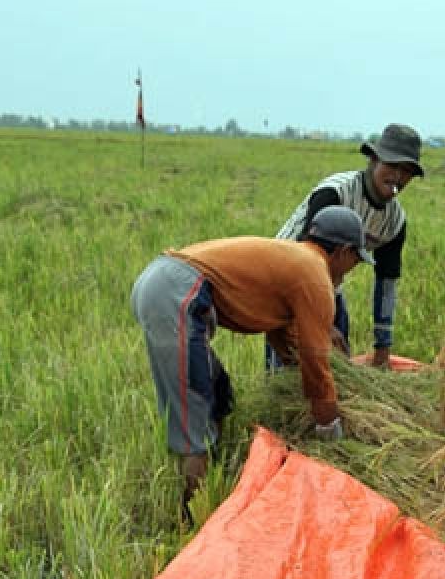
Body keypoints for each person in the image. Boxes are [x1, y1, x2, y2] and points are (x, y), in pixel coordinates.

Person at [131, 206, 373, 520]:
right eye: (357, 259)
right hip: (175, 292)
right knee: (195, 407)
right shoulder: (315, 274)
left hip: (167, 282)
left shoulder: (296, 261)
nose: (353, 267)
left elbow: (280, 334)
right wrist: (328, 422)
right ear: (343, 251)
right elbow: (316, 358)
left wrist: (297, 373)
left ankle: (213, 474)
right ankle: (193, 518)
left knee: (218, 394)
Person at [275, 123, 424, 368]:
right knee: (289, 368)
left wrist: (382, 350)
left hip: (329, 286)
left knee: (336, 364)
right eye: (392, 165)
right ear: (374, 160)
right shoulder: (335, 194)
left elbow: (385, 284)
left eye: (407, 171)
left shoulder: (394, 222)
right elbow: (306, 261)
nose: (398, 177)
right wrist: (322, 323)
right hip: (287, 280)